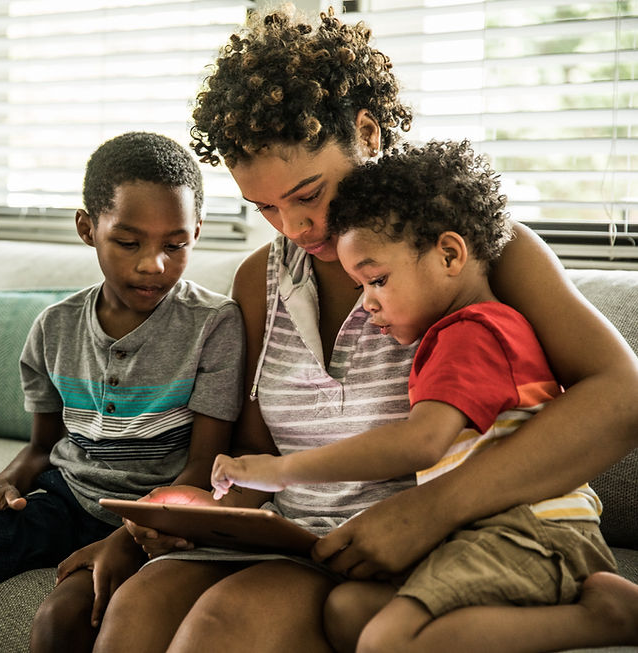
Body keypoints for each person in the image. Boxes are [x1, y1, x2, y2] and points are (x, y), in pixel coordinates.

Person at [93, 8, 638, 653]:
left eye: (307, 194)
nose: (292, 227)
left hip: (422, 547)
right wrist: (178, 518)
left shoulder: (466, 251)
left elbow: (621, 399)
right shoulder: (259, 280)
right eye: (265, 207)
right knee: (137, 607)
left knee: (221, 627)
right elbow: (254, 453)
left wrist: (432, 509)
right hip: (299, 538)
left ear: (369, 132)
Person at [211, 139, 638, 652]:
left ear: (451, 253)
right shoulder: (448, 330)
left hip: (528, 530)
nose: (292, 227)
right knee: (350, 613)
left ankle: (604, 617)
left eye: (377, 282)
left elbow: (421, 443)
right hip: (484, 533)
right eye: (265, 208)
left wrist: (279, 470)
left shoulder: (472, 333)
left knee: (385, 641)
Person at [0, 131, 245, 653]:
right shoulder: (55, 327)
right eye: (128, 241)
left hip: (156, 515)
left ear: (197, 234)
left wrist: (125, 538)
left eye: (175, 245)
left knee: (61, 620)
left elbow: (202, 469)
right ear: (87, 227)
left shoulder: (214, 325)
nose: (153, 264)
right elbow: (41, 448)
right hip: (63, 499)